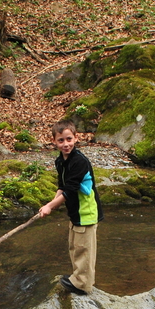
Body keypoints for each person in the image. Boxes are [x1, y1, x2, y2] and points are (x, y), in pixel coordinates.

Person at [39, 120, 102, 295]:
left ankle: (83, 285)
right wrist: (51, 204)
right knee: (74, 246)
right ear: (54, 141)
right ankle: (77, 277)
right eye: (61, 140)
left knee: (85, 249)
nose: (66, 144)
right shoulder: (60, 161)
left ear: (76, 138)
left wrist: (50, 206)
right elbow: (62, 186)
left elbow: (71, 191)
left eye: (69, 139)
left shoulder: (79, 162)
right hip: (75, 212)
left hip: (86, 211)